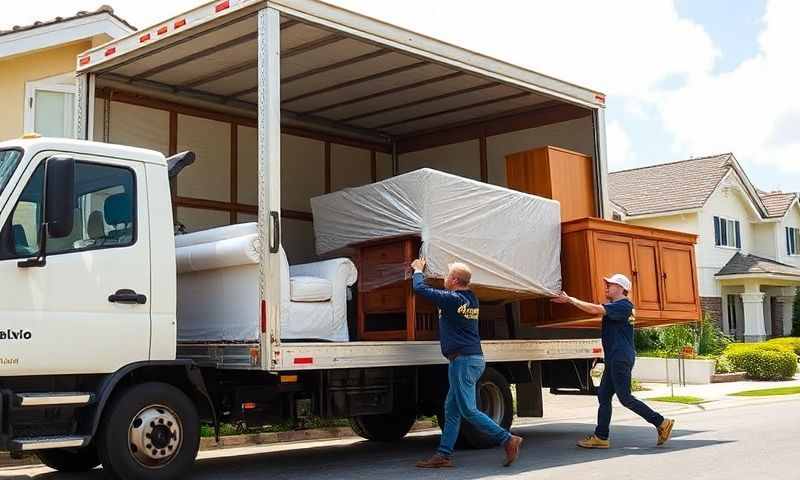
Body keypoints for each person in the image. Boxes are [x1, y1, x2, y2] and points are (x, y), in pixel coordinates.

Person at [411, 257, 523, 468]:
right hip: (468, 359)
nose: (444, 279)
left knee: (468, 410)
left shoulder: (453, 300)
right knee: (451, 410)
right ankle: (443, 455)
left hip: (463, 361)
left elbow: (420, 289)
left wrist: (418, 270)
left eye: (447, 276)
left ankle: (507, 438)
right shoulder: (471, 299)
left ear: (454, 280)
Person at [551, 273, 674, 449]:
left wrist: (570, 299)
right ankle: (601, 437)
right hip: (615, 357)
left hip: (619, 357)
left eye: (610, 284)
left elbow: (595, 309)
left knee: (625, 398)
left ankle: (661, 422)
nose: (607, 286)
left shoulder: (623, 305)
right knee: (604, 395)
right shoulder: (619, 306)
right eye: (607, 283)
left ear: (621, 288)